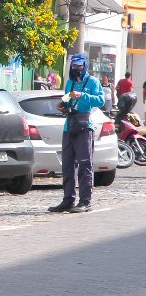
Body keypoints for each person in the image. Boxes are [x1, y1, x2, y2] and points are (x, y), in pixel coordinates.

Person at [48, 53, 104, 214]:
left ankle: (85, 201)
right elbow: (66, 100)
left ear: (84, 66)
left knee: (85, 164)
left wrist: (83, 95)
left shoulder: (92, 82)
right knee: (67, 164)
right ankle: (68, 199)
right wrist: (62, 105)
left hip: (84, 126)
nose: (76, 68)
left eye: (79, 66)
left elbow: (101, 100)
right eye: (74, 66)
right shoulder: (70, 83)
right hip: (69, 125)